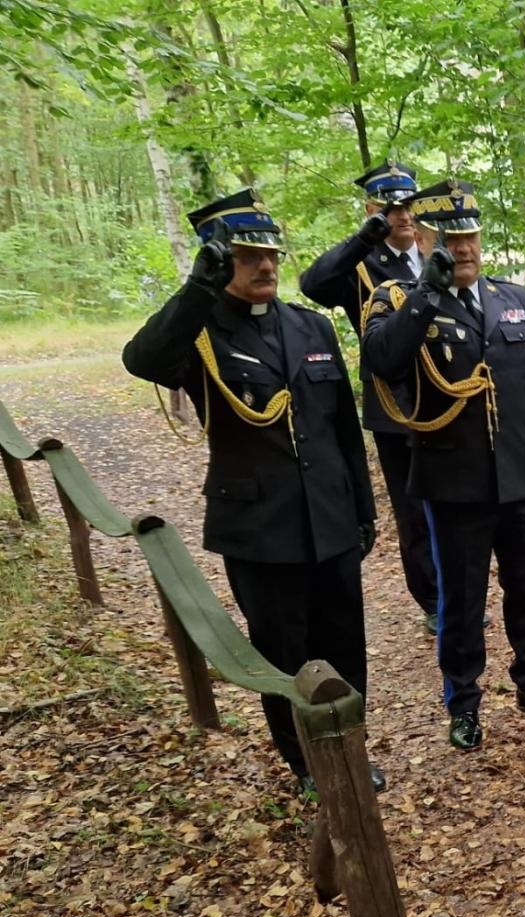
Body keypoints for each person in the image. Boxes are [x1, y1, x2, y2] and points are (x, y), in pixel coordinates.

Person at [122, 189, 384, 792]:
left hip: (331, 520)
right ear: (220, 260)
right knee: (283, 651)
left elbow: (343, 429)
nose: (264, 265)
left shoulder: (310, 325)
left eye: (268, 253)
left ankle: (347, 746)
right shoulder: (201, 331)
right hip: (260, 528)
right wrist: (197, 291)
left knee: (344, 643)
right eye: (246, 256)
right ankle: (307, 764)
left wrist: (363, 510)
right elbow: (142, 359)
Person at [360, 180, 525, 750]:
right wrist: (425, 298)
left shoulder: (515, 300)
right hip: (452, 483)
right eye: (448, 237)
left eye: (469, 236)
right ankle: (463, 701)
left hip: (518, 478)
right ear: (426, 237)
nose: (462, 248)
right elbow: (383, 363)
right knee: (462, 600)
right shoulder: (396, 299)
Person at [299, 161, 441, 633]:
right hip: (395, 404)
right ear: (373, 210)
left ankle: (460, 589)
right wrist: (365, 236)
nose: (402, 216)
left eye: (407, 207)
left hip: (448, 398)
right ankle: (433, 599)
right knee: (413, 509)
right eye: (390, 208)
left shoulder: (434, 254)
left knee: (453, 501)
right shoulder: (362, 267)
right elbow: (312, 284)